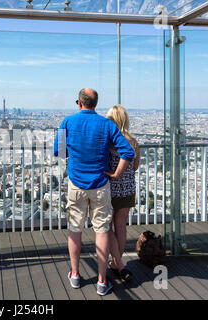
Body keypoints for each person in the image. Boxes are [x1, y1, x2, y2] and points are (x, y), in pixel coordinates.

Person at [54, 88, 135, 296]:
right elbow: (128, 152)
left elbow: (58, 152)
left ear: (78, 102)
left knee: (75, 229)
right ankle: (102, 280)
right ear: (95, 104)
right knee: (101, 230)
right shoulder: (106, 124)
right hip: (100, 185)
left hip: (76, 184)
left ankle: (75, 274)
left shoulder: (68, 122)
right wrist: (116, 174)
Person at [105, 105, 139, 279]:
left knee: (106, 226)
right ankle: (117, 263)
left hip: (110, 189)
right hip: (128, 189)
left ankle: (116, 262)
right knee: (121, 227)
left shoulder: (108, 142)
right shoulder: (133, 142)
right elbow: (134, 167)